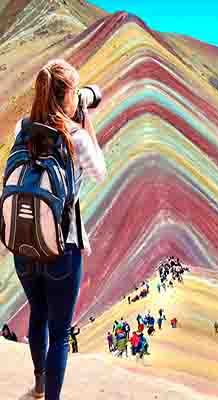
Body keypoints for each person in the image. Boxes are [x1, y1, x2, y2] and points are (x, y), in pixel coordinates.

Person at [11, 60, 107, 400]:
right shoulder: (75, 137)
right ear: (68, 96)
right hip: (61, 248)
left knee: (37, 313)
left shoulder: (22, 129)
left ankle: (38, 386)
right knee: (60, 332)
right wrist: (86, 120)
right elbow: (100, 172)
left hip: (23, 245)